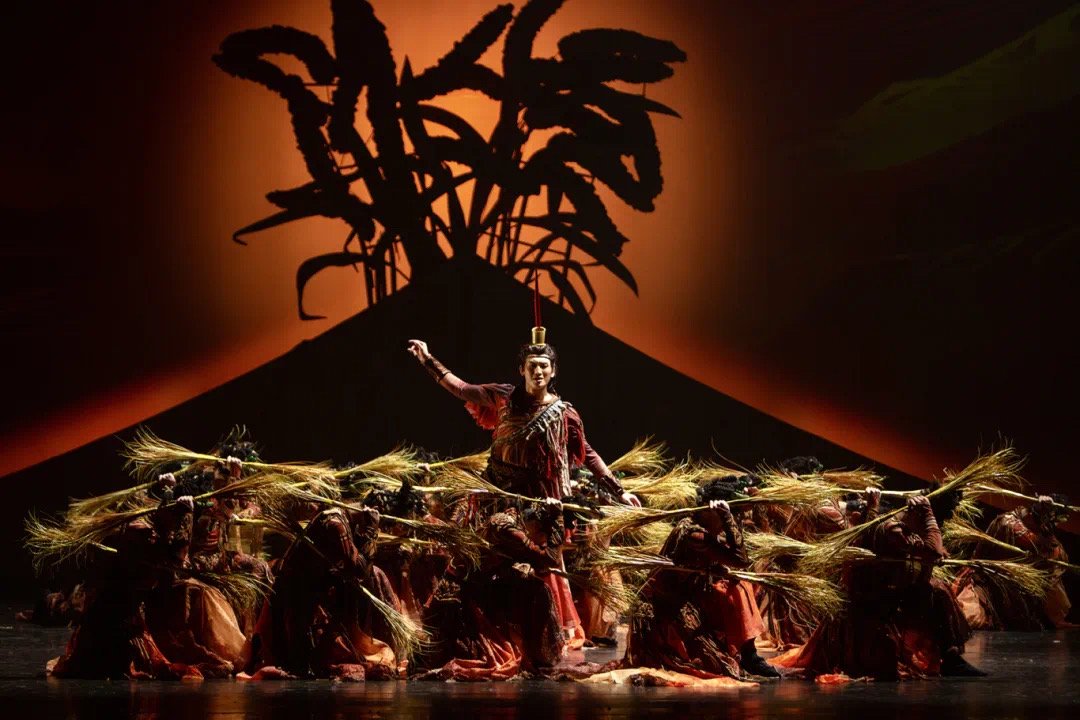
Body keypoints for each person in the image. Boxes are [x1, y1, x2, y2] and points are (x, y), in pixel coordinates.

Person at [407, 326, 639, 649]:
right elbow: (460, 388)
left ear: (553, 371)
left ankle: (540, 637)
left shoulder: (564, 414)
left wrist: (619, 490)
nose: (538, 371)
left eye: (544, 366)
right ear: (521, 369)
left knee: (538, 567)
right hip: (495, 495)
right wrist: (428, 359)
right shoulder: (503, 396)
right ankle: (473, 630)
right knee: (474, 559)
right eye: (532, 365)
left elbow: (586, 453)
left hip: (539, 506)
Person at [624, 478, 779, 679]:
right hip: (668, 609)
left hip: (691, 599)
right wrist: (727, 518)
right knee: (716, 665)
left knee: (738, 584)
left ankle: (749, 653)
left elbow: (739, 560)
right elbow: (740, 560)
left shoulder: (708, 529)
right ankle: (747, 655)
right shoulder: (694, 535)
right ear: (710, 511)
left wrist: (729, 518)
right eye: (726, 515)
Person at [954, 494, 1074, 630]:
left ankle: (1054, 618)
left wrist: (1047, 530)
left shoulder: (1040, 530)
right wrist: (1045, 528)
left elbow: (1060, 557)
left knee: (1052, 568)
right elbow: (1036, 545)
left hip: (1011, 595)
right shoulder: (1007, 522)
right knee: (967, 618)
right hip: (984, 584)